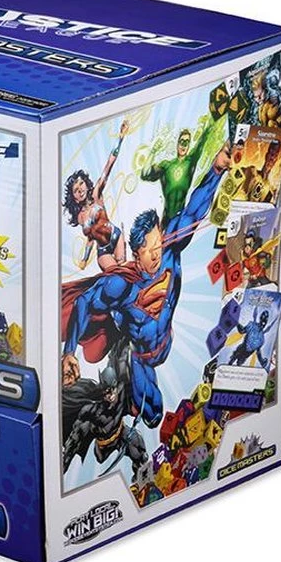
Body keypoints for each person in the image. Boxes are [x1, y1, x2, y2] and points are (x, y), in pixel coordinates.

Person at [61, 143, 232, 428]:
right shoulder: (122, 284)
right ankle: (121, 370)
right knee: (152, 415)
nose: (156, 256)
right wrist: (69, 352)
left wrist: (216, 169)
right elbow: (84, 302)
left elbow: (194, 210)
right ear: (136, 254)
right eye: (148, 252)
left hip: (166, 340)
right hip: (141, 354)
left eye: (157, 246)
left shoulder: (169, 248)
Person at [63, 120, 129, 271]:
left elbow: (109, 165)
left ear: (86, 185)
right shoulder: (80, 217)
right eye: (75, 190)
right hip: (103, 250)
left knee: (125, 273)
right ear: (74, 197)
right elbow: (90, 239)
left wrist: (120, 138)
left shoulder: (96, 194)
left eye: (81, 184)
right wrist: (85, 259)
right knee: (116, 275)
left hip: (116, 236)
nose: (80, 189)